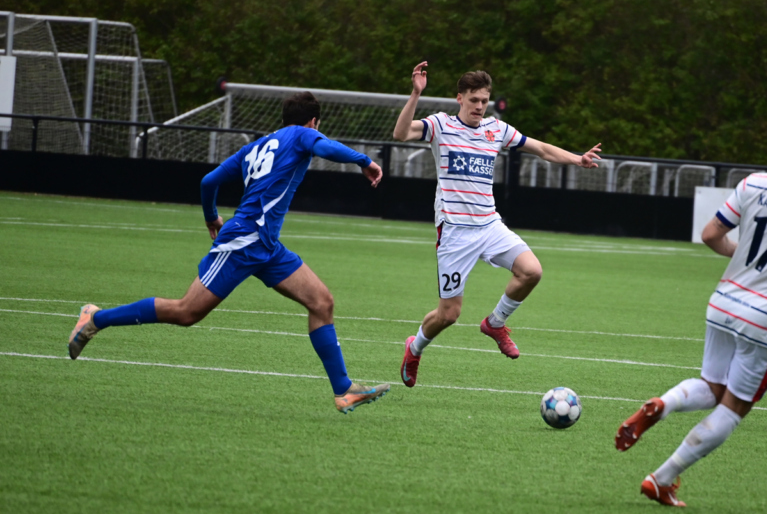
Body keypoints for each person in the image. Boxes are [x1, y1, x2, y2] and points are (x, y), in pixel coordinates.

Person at [67, 92, 391, 413]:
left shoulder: (255, 147)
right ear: (313, 121)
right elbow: (326, 148)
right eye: (316, 127)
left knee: (321, 302)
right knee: (186, 312)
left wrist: (211, 217)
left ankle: (343, 389)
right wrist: (364, 161)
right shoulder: (302, 134)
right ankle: (95, 318)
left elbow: (209, 181)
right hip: (242, 242)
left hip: (266, 247)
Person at [614, 115, 767, 508]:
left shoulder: (754, 184)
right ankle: (661, 478)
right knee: (733, 407)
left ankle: (664, 404)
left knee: (713, 387)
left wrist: (746, 256)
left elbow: (710, 235)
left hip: (724, 303)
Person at [392, 61, 601, 387]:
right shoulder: (441, 125)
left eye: (484, 101)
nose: (479, 106)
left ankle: (495, 322)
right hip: (455, 232)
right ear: (459, 98)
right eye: (473, 100)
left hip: (489, 225)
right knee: (448, 315)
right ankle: (415, 348)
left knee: (532, 271)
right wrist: (416, 94)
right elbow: (401, 133)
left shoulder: (496, 129)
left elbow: (541, 149)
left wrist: (578, 158)